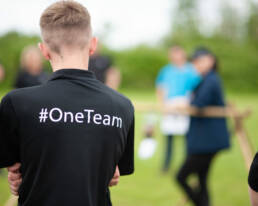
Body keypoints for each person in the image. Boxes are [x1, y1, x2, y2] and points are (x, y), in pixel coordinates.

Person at [0, 1, 134, 206]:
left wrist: (19, 175)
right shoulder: (123, 106)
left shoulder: (16, 103)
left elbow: (14, 168)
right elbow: (113, 173)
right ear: (93, 45)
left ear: (44, 51)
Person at [176, 48, 230, 206]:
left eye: (201, 61)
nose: (197, 65)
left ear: (211, 60)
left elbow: (198, 104)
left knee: (181, 176)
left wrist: (184, 104)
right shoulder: (205, 79)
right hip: (205, 140)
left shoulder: (211, 79)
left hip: (207, 141)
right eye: (195, 62)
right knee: (202, 179)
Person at [155, 46, 201, 172]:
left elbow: (197, 88)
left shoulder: (191, 70)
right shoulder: (166, 70)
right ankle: (166, 165)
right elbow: (161, 88)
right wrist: (162, 104)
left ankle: (187, 165)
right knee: (169, 137)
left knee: (187, 137)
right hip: (169, 105)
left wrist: (191, 103)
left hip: (185, 105)